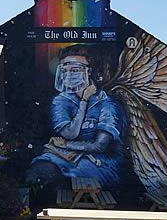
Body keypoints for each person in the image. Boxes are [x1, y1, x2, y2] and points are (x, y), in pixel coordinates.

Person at [26, 47, 127, 188]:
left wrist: (65, 144)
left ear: (89, 71)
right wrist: (83, 102)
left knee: (64, 181)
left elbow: (100, 146)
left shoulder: (107, 104)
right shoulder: (61, 100)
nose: (68, 75)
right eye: (65, 70)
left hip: (98, 164)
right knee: (39, 171)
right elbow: (70, 133)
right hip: (64, 158)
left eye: (74, 70)